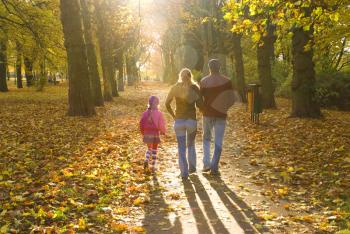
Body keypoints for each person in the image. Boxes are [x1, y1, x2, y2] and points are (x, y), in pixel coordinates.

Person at [165, 68, 203, 179]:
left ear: (180, 76)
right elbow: (200, 105)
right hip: (191, 121)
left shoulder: (175, 88)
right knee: (191, 144)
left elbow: (167, 104)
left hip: (179, 121)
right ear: (190, 76)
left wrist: (174, 116)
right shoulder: (194, 88)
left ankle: (184, 173)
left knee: (181, 147)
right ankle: (192, 168)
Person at [200, 59, 235, 175]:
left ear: (209, 68)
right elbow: (232, 99)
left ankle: (206, 164)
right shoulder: (227, 81)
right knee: (218, 141)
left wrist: (202, 109)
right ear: (219, 67)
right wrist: (224, 107)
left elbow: (200, 99)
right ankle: (214, 167)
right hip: (221, 114)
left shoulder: (204, 81)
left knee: (206, 139)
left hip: (207, 114)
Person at [140, 96, 166, 172]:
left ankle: (146, 159)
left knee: (149, 149)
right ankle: (153, 166)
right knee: (154, 150)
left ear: (149, 103)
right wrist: (163, 131)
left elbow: (141, 123)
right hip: (155, 134)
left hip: (147, 133)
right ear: (158, 104)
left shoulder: (145, 113)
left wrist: (143, 132)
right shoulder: (159, 113)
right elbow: (161, 124)